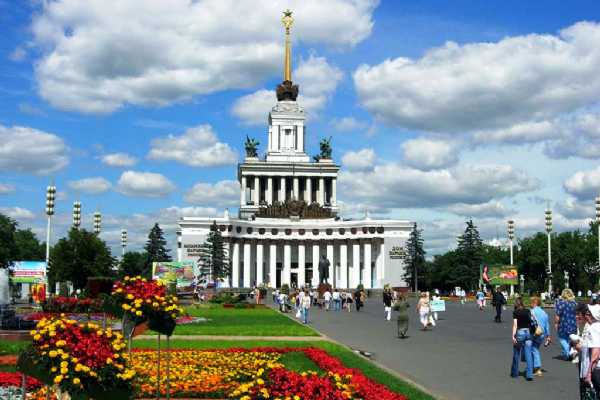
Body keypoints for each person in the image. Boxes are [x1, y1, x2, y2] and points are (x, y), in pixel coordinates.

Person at [511, 297, 534, 381]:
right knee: (528, 354)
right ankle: (529, 374)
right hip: (528, 332)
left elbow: (515, 325)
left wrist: (513, 336)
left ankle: (515, 373)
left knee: (516, 352)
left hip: (520, 332)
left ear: (516, 304)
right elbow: (531, 321)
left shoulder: (516, 312)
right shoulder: (528, 311)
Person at [530, 296, 551, 377]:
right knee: (535, 348)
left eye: (531, 302)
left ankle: (537, 368)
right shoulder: (544, 313)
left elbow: (530, 323)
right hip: (542, 334)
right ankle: (534, 366)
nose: (530, 304)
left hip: (534, 333)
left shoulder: (532, 312)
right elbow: (547, 325)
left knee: (534, 349)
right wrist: (548, 336)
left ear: (534, 303)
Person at [556, 288, 578, 360]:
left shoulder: (560, 303)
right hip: (573, 323)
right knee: (570, 339)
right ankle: (566, 354)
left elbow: (558, 315)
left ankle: (567, 353)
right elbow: (577, 315)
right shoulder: (574, 304)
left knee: (562, 339)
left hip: (563, 324)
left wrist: (556, 323)